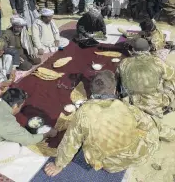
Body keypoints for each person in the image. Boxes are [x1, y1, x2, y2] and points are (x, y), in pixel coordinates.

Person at [44, 70, 175, 176]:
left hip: (114, 165)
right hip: (144, 152)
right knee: (146, 121)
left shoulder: (83, 113)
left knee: (84, 140)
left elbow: (70, 143)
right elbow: (150, 124)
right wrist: (170, 134)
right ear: (114, 90)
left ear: (91, 91)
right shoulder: (126, 106)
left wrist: (58, 165)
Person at [0, 88, 58, 168]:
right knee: (15, 147)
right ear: (15, 106)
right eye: (21, 106)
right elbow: (29, 140)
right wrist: (48, 133)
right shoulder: (8, 122)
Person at [116, 38, 175, 118]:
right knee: (170, 81)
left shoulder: (124, 63)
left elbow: (117, 80)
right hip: (154, 104)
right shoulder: (157, 62)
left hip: (132, 104)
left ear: (133, 50)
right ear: (148, 49)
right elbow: (172, 75)